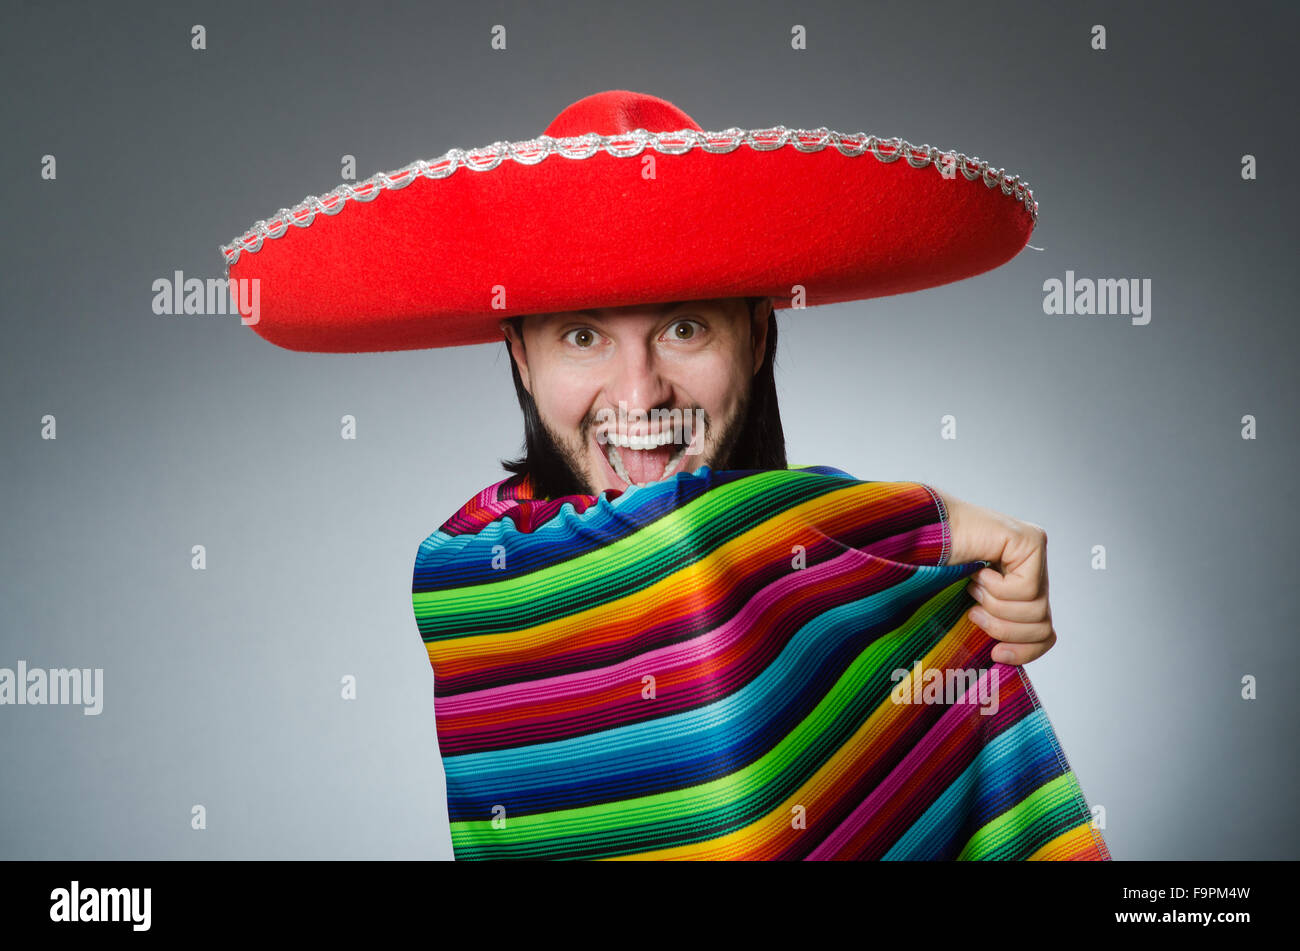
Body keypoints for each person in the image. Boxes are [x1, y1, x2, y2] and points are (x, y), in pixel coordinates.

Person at [222, 89, 1107, 861]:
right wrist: (938, 522)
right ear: (521, 358)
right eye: (583, 336)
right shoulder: (473, 578)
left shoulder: (888, 611)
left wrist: (933, 579)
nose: (640, 391)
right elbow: (683, 536)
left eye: (685, 328)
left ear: (756, 338)